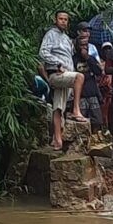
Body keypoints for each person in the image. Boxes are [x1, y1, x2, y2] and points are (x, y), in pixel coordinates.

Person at [38, 11, 87, 150]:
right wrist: (57, 63)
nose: (63, 21)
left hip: (66, 75)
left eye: (66, 19)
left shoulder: (66, 38)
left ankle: (57, 140)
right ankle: (77, 110)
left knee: (58, 108)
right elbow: (43, 52)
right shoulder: (50, 34)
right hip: (56, 74)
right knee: (79, 77)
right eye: (61, 19)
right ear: (55, 20)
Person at [73, 34, 103, 132]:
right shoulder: (73, 59)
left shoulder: (91, 58)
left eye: (86, 45)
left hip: (92, 94)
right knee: (81, 123)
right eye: (82, 45)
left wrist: (88, 58)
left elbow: (99, 72)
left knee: (97, 121)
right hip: (80, 95)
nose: (84, 48)